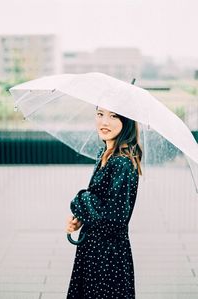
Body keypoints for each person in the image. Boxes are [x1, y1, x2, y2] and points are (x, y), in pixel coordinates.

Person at [66, 106, 142, 299]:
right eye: (100, 114)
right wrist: (82, 218)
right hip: (94, 250)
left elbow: (113, 219)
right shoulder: (105, 154)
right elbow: (102, 203)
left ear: (127, 123)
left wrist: (80, 201)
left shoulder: (122, 163)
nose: (104, 122)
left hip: (107, 256)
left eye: (113, 116)